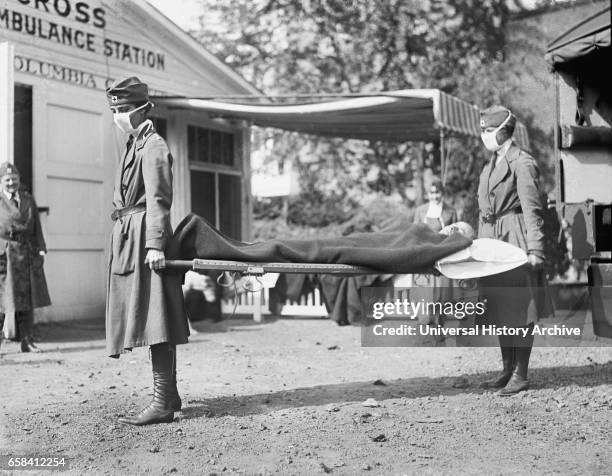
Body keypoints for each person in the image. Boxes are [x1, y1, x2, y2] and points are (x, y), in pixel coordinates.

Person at [105, 77, 189, 425]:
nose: (118, 115)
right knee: (149, 316)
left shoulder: (152, 145)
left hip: (145, 238)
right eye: (114, 110)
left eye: (123, 109)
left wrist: (155, 244)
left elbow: (158, 198)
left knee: (157, 319)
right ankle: (169, 395)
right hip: (129, 237)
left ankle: (161, 402)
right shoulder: (133, 144)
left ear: (142, 109)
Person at [477, 105, 549, 395]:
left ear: (504, 130)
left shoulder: (523, 162)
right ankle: (507, 370)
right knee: (499, 308)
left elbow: (533, 209)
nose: (483, 135)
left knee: (519, 310)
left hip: (515, 239)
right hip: (492, 240)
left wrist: (536, 249)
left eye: (487, 130)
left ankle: (520, 373)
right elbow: (483, 208)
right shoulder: (491, 163)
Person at [0, 162, 51, 353]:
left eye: (14, 179)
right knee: (1, 300)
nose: (11, 183)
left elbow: (36, 225)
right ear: (1, 181)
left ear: (19, 180)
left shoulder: (28, 199)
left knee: (26, 300)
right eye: (7, 179)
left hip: (26, 252)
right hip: (4, 254)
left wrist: (41, 248)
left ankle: (27, 341)